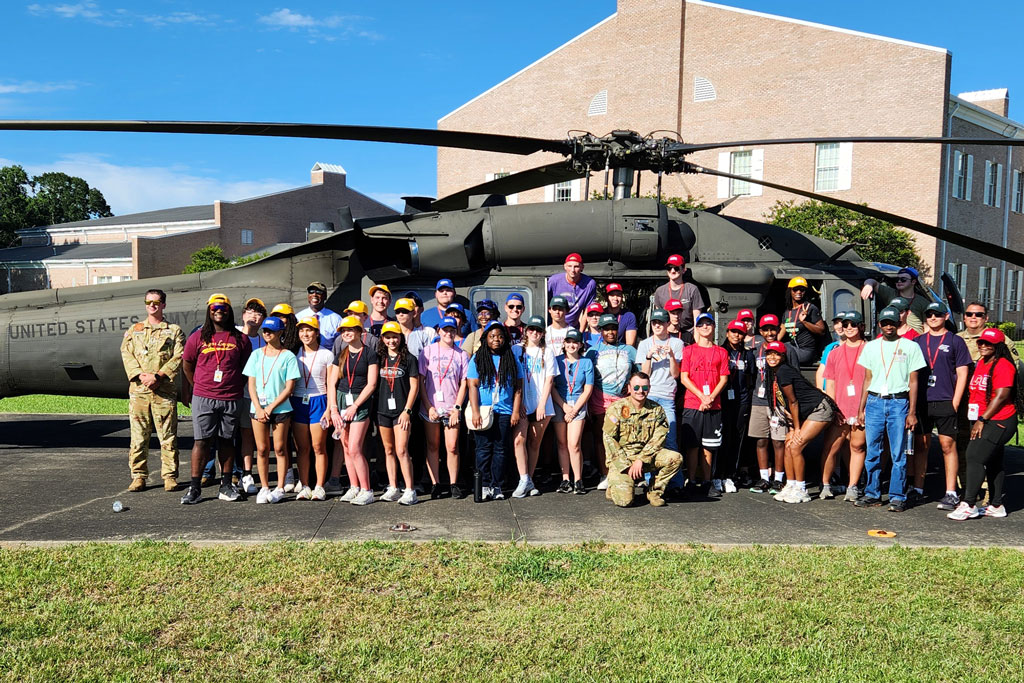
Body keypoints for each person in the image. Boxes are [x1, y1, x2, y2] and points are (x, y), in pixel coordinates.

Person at [180, 294, 252, 504]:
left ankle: (226, 485)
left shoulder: (240, 338)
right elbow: (187, 364)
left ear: (229, 311)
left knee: (227, 441)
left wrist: (236, 383)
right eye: (214, 307)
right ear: (209, 310)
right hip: (204, 397)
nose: (219, 310)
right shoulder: (198, 337)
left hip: (231, 397)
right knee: (201, 441)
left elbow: (247, 367)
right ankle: (194, 488)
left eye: (223, 307)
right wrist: (198, 385)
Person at [855, 306, 926, 512]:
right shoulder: (870, 347)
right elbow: (867, 379)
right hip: (875, 402)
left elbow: (914, 382)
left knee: (898, 453)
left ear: (898, 324)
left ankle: (897, 495)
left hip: (898, 403)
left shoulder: (910, 347)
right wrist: (861, 409)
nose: (888, 326)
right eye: (885, 323)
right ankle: (872, 493)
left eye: (892, 323)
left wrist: (912, 412)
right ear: (879, 324)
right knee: (873, 451)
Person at [120, 288, 186, 493]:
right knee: (139, 436)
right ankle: (139, 476)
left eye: (156, 302)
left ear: (164, 305)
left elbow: (179, 357)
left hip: (163, 390)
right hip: (139, 391)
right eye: (149, 302)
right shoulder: (134, 330)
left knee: (167, 436)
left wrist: (158, 376)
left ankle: (169, 476)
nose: (152, 306)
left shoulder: (174, 331)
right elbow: (126, 353)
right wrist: (141, 376)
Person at [948, 327, 1017, 520]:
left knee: (974, 456)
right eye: (981, 342)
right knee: (993, 460)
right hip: (982, 418)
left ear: (999, 346)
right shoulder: (982, 363)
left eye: (989, 343)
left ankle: (969, 504)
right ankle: (996, 505)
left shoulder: (1003, 365)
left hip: (998, 420)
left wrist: (982, 420)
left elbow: (1001, 396)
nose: (983, 346)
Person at [765, 341, 840, 504]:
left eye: (776, 354)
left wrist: (797, 429)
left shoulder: (783, 372)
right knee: (788, 444)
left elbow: (793, 402)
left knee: (796, 446)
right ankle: (790, 485)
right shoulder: (774, 373)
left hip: (820, 409)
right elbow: (786, 405)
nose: (772, 357)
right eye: (769, 353)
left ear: (783, 356)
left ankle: (801, 489)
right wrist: (791, 429)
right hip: (806, 413)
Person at [911, 302, 970, 510]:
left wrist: (955, 402)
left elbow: (963, 373)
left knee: (947, 446)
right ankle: (917, 489)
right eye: (929, 314)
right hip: (922, 402)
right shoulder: (917, 341)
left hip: (946, 400)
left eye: (937, 314)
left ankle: (951, 492)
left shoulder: (956, 341)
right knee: (921, 445)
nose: (933, 317)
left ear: (946, 316)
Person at [602, 372, 683, 507]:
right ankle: (614, 486)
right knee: (625, 501)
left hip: (645, 457)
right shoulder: (617, 408)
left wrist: (641, 459)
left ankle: (654, 492)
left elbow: (658, 439)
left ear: (649, 388)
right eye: (636, 387)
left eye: (645, 388)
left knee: (675, 458)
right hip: (622, 459)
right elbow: (609, 439)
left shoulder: (657, 410)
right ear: (629, 388)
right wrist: (625, 465)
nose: (641, 391)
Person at [243, 316, 301, 504]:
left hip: (280, 408)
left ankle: (280, 487)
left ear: (280, 333)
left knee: (279, 448)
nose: (267, 334)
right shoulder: (256, 354)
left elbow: (289, 387)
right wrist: (259, 407)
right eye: (265, 331)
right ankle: (265, 486)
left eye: (271, 331)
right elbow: (251, 384)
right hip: (258, 408)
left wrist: (271, 406)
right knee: (261, 448)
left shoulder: (288, 356)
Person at [467, 322, 524, 501]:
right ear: (485, 339)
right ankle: (483, 485)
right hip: (483, 411)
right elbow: (472, 386)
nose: (496, 339)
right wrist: (475, 411)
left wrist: (515, 411)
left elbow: (518, 387)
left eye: (499, 336)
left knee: (500, 449)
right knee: (483, 449)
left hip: (505, 411)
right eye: (492, 336)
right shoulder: (477, 358)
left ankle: (497, 485)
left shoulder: (511, 358)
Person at [327, 315, 379, 506]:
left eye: (351, 330)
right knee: (346, 447)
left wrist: (355, 405)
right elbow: (331, 383)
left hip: (360, 403)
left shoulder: (370, 354)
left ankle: (367, 489)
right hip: (341, 401)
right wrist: (333, 408)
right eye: (344, 331)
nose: (347, 333)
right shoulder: (340, 354)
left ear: (359, 332)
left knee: (356, 447)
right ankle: (354, 486)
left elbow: (372, 384)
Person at [678, 312, 730, 496]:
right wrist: (701, 397)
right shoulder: (688, 350)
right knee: (692, 445)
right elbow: (684, 378)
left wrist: (710, 398)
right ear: (697, 328)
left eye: (709, 324)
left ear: (714, 327)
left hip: (713, 405)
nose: (705, 327)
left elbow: (723, 379)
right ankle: (691, 481)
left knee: (709, 446)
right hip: (693, 404)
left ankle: (707, 482)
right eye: (701, 324)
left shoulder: (721, 352)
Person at [419, 316, 470, 498]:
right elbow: (421, 381)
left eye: (452, 330)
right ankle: (435, 483)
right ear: (439, 331)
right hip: (431, 407)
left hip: (451, 408)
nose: (448, 333)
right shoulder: (427, 351)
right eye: (445, 330)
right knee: (433, 445)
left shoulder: (461, 354)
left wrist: (457, 407)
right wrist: (428, 406)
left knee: (452, 446)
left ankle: (453, 483)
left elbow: (464, 383)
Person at [747, 314, 799, 493]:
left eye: (773, 329)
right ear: (760, 331)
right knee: (761, 440)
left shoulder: (788, 349)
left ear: (779, 329)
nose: (770, 333)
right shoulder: (756, 350)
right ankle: (763, 479)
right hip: (759, 400)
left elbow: (795, 375)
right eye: (766, 329)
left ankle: (778, 478)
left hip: (779, 402)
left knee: (778, 441)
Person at [820, 311, 868, 501]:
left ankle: (852, 486)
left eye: (853, 324)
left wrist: (863, 410)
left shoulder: (870, 349)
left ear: (861, 327)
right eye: (846, 324)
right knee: (831, 447)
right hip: (839, 408)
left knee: (857, 446)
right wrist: (834, 409)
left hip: (861, 409)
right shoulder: (835, 353)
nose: (849, 328)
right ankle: (825, 484)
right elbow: (829, 383)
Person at [586, 314, 638, 490]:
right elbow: (587, 377)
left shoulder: (629, 350)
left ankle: (624, 472)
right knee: (602, 437)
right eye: (606, 328)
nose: (610, 332)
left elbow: (637, 374)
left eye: (613, 328)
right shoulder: (593, 351)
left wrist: (631, 387)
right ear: (601, 331)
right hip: (600, 399)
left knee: (623, 437)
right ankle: (605, 473)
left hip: (623, 401)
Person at [376, 321, 421, 506]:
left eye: (395, 336)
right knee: (388, 450)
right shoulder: (379, 358)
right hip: (383, 411)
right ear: (383, 339)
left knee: (402, 450)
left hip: (401, 412)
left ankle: (410, 490)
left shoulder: (409, 359)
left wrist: (407, 411)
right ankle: (393, 486)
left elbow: (415, 386)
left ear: (401, 338)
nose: (391, 340)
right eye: (388, 337)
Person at [513, 315, 558, 498]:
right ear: (526, 330)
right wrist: (520, 402)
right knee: (518, 441)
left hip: (542, 404)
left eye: (538, 330)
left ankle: (529, 480)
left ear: (543, 333)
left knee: (534, 442)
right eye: (531, 329)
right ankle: (524, 479)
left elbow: (549, 380)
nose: (534, 333)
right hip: (522, 403)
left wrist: (541, 405)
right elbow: (514, 378)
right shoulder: (516, 350)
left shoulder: (547, 352)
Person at [291, 316, 334, 501]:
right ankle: (305, 484)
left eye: (309, 330)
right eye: (302, 330)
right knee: (302, 448)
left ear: (317, 333)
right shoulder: (294, 354)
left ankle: (319, 486)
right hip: (298, 401)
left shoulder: (327, 354)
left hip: (319, 401)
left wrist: (329, 409)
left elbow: (330, 383)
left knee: (319, 447)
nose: (305, 334)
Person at [635, 309, 684, 453]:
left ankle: (671, 475)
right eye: (654, 323)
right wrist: (649, 356)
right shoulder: (644, 344)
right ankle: (649, 475)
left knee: (670, 438)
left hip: (667, 397)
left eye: (660, 323)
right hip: (648, 396)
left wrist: (671, 356)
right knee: (647, 439)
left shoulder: (677, 343)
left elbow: (675, 374)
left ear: (668, 324)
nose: (657, 326)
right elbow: (644, 375)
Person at [552, 329, 594, 493]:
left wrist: (574, 409)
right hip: (560, 403)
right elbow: (552, 387)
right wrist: (564, 407)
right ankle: (565, 479)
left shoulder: (586, 362)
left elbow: (588, 388)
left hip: (578, 404)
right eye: (568, 342)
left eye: (575, 342)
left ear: (580, 344)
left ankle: (578, 480)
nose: (571, 345)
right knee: (562, 443)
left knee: (574, 444)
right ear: (564, 344)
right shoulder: (557, 361)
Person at [716, 319, 755, 493]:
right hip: (723, 400)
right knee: (723, 437)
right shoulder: (720, 351)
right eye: (733, 331)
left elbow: (751, 378)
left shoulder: (748, 355)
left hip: (742, 401)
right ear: (727, 333)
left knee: (737, 439)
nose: (736, 335)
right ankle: (718, 475)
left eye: (739, 332)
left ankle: (730, 475)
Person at [236, 297, 267, 493]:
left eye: (258, 312)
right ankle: (235, 475)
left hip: (257, 396)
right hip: (235, 393)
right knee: (231, 436)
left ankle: (248, 474)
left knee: (253, 437)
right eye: (249, 311)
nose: (253, 315)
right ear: (242, 315)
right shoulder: (234, 335)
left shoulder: (265, 339)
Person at [862, 267, 931, 333]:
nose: (899, 281)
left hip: (915, 339)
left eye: (903, 279)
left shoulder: (923, 302)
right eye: (897, 279)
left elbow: (927, 326)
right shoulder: (891, 294)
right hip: (894, 338)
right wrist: (869, 285)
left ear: (913, 281)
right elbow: (872, 281)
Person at [653, 254, 706, 334]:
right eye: (669, 268)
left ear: (683, 270)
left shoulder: (692, 289)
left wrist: (696, 338)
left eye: (676, 268)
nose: (672, 271)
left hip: (688, 333)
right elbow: (658, 318)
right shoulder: (660, 291)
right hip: (667, 334)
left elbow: (697, 319)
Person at [780, 277, 825, 365]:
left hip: (806, 351)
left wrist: (804, 322)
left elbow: (821, 331)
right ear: (790, 291)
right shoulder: (788, 312)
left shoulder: (810, 308)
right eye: (795, 289)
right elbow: (780, 334)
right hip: (793, 347)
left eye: (802, 290)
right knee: (778, 347)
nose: (799, 292)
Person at [547, 252, 597, 329]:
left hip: (573, 327)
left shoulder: (590, 284)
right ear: (565, 267)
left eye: (576, 266)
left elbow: (587, 310)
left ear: (582, 267)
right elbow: (546, 304)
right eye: (569, 266)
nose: (572, 270)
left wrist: (581, 332)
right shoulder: (554, 281)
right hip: (553, 326)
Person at [296, 281, 342, 350]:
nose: (314, 294)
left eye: (318, 292)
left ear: (325, 296)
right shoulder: (298, 317)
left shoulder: (336, 319)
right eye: (311, 291)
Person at [815, 313, 847, 390]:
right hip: (827, 393)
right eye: (836, 323)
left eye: (842, 322)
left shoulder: (856, 346)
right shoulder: (830, 347)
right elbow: (821, 369)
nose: (839, 326)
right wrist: (821, 391)